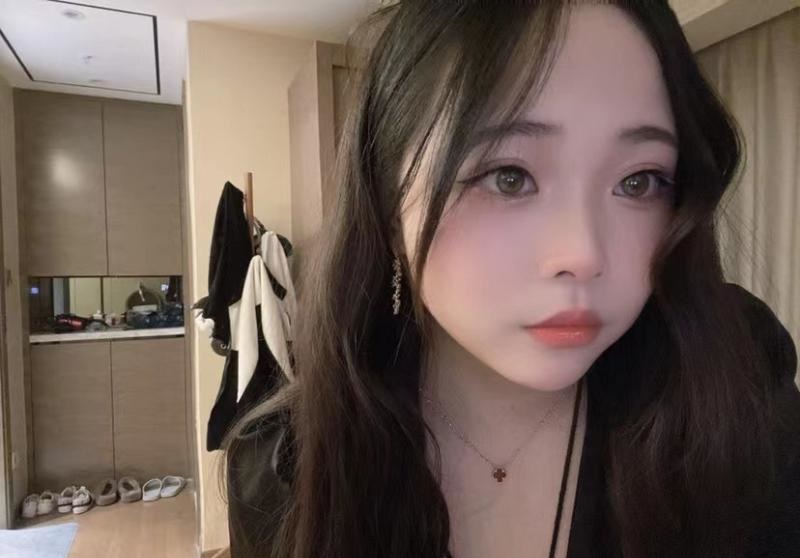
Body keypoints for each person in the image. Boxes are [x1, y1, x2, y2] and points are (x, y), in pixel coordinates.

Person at [220, 2, 800, 557]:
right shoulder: (286, 470)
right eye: (509, 177)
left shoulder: (734, 379)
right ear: (387, 204)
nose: (584, 255)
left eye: (639, 181)